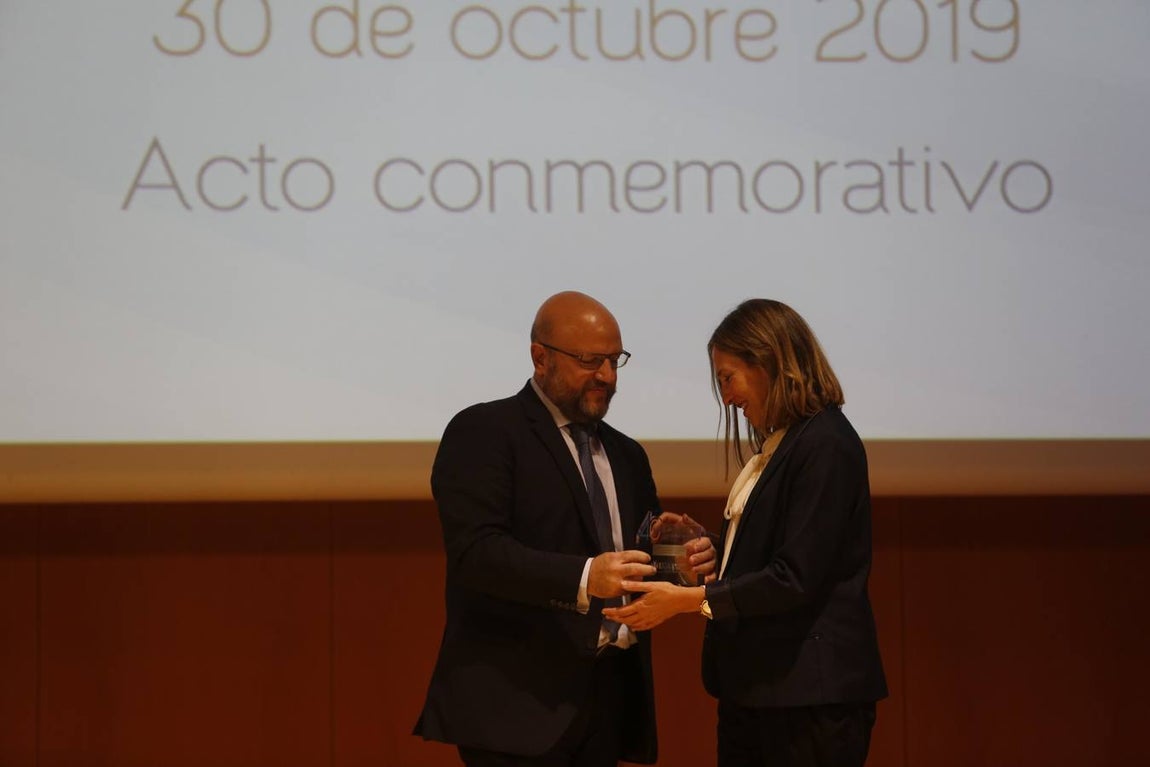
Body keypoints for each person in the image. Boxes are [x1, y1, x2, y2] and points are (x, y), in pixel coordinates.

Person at [414, 290, 715, 767]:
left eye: (616, 361)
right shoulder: (485, 432)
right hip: (516, 706)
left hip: (609, 698)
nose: (608, 377)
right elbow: (477, 554)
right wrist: (584, 578)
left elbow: (633, 563)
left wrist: (683, 559)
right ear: (540, 357)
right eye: (590, 361)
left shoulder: (628, 454)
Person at [605, 298, 888, 767]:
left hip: (807, 700)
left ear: (768, 362)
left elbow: (795, 577)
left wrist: (688, 600)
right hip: (763, 693)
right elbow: (779, 551)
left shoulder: (826, 445)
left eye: (727, 378)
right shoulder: (786, 443)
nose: (727, 398)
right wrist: (716, 545)